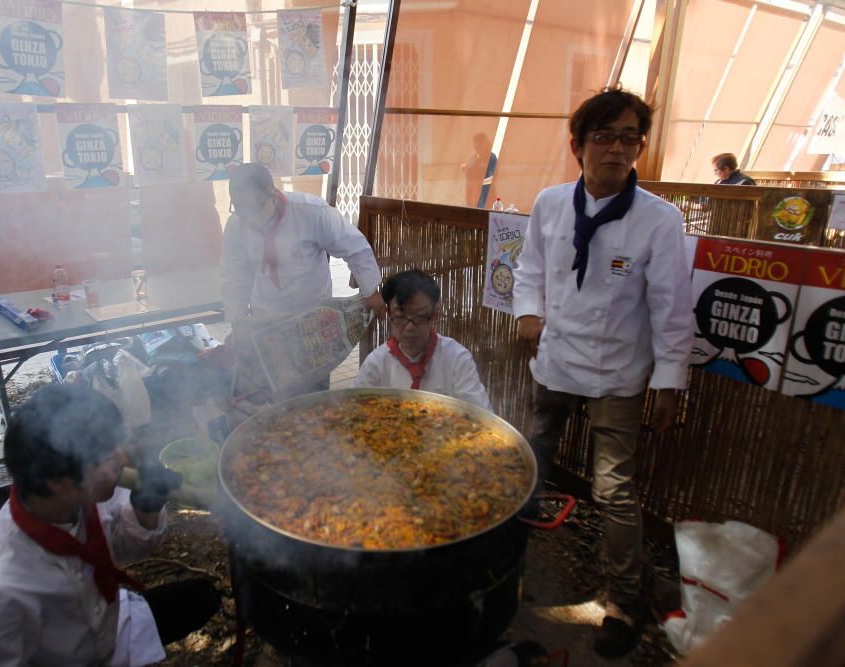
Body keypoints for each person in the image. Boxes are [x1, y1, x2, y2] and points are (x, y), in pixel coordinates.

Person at [512, 86, 694, 658]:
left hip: (618, 371)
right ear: (578, 145)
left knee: (614, 488)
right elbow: (529, 269)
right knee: (532, 454)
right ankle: (507, 557)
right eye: (603, 136)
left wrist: (669, 380)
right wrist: (528, 314)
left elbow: (671, 305)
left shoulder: (659, 221)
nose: (616, 148)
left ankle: (622, 600)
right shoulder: (549, 202)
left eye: (628, 138)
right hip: (557, 359)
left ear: (639, 147)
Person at [0, 384, 220, 667]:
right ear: (57, 480)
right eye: (106, 457)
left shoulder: (85, 494)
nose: (122, 461)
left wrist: (145, 506)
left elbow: (128, 547)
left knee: (203, 598)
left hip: (114, 626)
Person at [220, 162, 385, 321]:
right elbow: (234, 276)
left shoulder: (312, 211)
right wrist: (237, 321)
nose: (251, 216)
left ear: (272, 193)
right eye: (241, 209)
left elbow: (355, 248)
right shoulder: (236, 225)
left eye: (257, 207)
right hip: (267, 318)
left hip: (314, 315)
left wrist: (370, 291)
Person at [354, 269, 491, 411]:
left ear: (435, 313)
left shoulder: (456, 359)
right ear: (389, 314)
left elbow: (481, 416)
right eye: (400, 317)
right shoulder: (376, 363)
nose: (409, 328)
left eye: (419, 316)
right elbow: (353, 409)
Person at [461, 132, 499, 209]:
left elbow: (492, 179)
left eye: (476, 144)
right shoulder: (473, 158)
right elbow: (468, 176)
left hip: (486, 199)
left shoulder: (491, 158)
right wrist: (465, 169)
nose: (474, 147)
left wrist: (477, 182)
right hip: (472, 199)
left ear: (483, 144)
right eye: (474, 144)